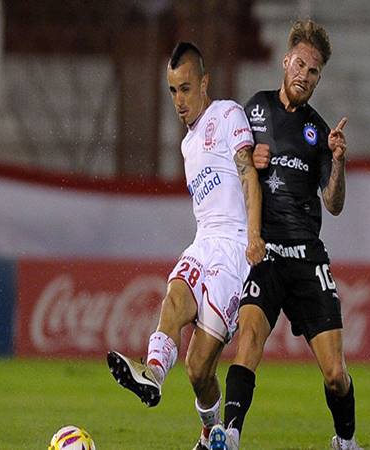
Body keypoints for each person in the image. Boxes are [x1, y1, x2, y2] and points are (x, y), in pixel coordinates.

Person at [208, 20, 362, 450]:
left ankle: (345, 441)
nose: (305, 76)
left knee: (335, 373)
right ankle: (232, 434)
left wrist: (338, 160)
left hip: (308, 258)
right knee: (249, 340)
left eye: (314, 71)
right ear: (285, 61)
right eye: (300, 65)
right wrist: (246, 159)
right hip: (267, 253)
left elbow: (333, 204)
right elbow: (225, 168)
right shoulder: (253, 110)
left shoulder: (319, 132)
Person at [107, 42, 265, 450]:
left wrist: (254, 234)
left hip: (232, 252)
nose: (179, 100)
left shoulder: (228, 113)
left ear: (204, 83)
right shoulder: (186, 145)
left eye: (186, 88)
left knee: (199, 369)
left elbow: (248, 173)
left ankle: (210, 435)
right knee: (175, 297)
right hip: (202, 243)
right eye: (173, 90)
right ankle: (153, 374)